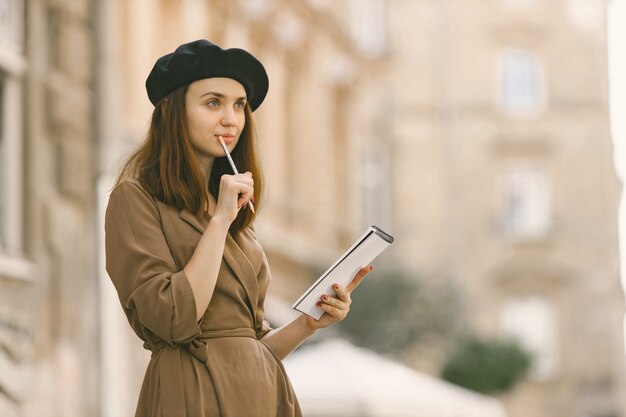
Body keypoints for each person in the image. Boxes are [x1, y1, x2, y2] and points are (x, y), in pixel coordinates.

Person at [104, 39, 373, 417]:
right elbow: (172, 319)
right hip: (191, 395)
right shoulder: (136, 200)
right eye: (213, 102)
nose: (231, 119)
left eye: (239, 105)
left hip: (264, 395)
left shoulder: (232, 214)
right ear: (171, 109)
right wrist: (219, 222)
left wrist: (308, 323)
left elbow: (250, 343)